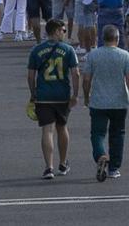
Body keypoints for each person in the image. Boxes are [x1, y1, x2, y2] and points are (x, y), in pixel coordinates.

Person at [82, 24, 129, 182]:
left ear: (102, 38)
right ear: (117, 38)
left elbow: (86, 79)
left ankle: (101, 155)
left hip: (98, 101)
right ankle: (114, 168)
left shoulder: (93, 55)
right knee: (118, 134)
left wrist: (86, 97)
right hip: (119, 102)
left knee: (97, 133)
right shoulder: (124, 55)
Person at [27, 19, 81, 180]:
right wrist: (75, 95)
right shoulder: (68, 50)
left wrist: (33, 93)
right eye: (63, 30)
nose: (64, 33)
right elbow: (76, 73)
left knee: (47, 130)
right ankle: (63, 163)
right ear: (56, 31)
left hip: (43, 96)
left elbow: (30, 75)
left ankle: (48, 167)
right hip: (62, 95)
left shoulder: (36, 50)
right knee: (62, 127)